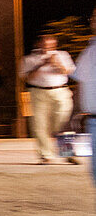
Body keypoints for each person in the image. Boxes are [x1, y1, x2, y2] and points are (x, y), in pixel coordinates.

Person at [23, 33, 76, 164]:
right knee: (40, 125)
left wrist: (57, 63)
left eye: (51, 44)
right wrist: (42, 64)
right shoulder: (29, 59)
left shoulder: (62, 55)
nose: (48, 47)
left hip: (60, 91)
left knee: (63, 122)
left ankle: (67, 153)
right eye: (45, 44)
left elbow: (69, 72)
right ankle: (46, 155)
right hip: (38, 92)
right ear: (39, 44)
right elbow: (27, 78)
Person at [68, 6, 96, 216]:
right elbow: (79, 84)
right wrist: (75, 113)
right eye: (93, 16)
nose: (93, 20)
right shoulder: (90, 48)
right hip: (93, 121)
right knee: (95, 174)